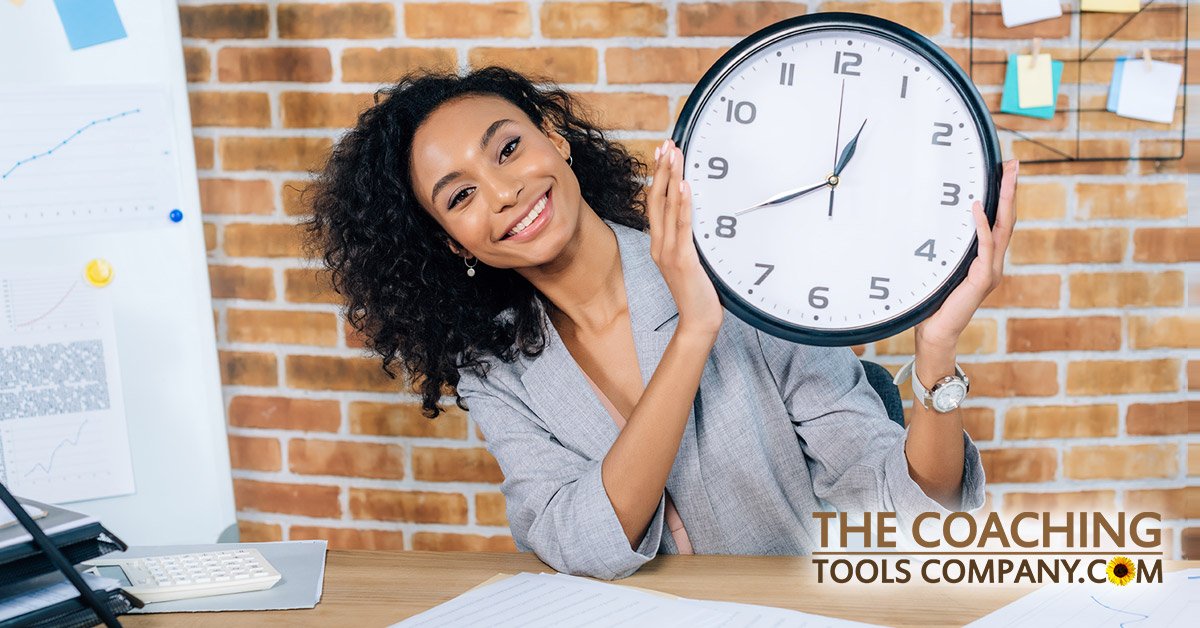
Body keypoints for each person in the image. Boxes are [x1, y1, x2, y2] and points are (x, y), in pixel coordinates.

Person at [307, 66, 1019, 580]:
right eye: (460, 195)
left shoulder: (739, 269)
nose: (504, 191)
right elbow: (579, 541)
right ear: (452, 240)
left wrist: (935, 352)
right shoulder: (498, 372)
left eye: (508, 148)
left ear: (553, 135)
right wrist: (692, 335)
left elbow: (909, 509)